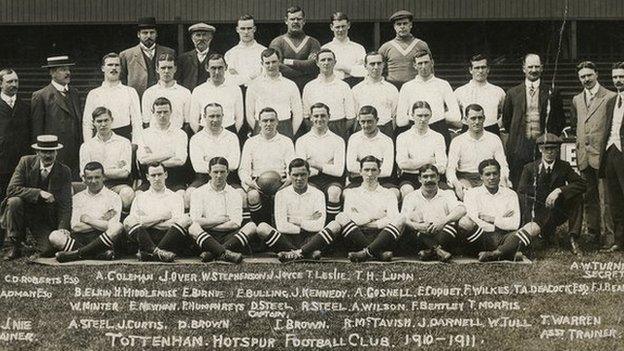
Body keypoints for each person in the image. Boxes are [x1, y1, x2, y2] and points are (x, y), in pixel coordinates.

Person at [278, 156, 404, 263]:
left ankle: (367, 252)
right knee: (340, 217)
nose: (370, 174)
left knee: (401, 218)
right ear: (360, 171)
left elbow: (393, 218)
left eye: (373, 170)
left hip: (382, 235)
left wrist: (370, 222)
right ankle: (377, 252)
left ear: (379, 172)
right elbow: (350, 217)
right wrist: (376, 216)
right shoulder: (352, 193)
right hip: (357, 234)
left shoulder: (388, 194)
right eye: (366, 170)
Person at [0, 135, 72, 259]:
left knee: (48, 250)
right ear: (37, 152)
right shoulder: (26, 162)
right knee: (14, 201)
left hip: (43, 217)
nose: (48, 156)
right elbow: (11, 190)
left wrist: (62, 228)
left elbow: (65, 204)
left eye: (51, 152)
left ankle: (34, 242)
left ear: (56, 152)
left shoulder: (64, 171)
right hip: (22, 210)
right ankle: (14, 244)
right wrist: (38, 193)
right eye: (44, 152)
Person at [570, 61, 616, 248]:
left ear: (597, 74)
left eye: (589, 75)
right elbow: (576, 125)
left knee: (606, 198)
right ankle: (593, 235)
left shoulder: (611, 97)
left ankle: (610, 237)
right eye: (582, 76)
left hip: (603, 156)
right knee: (589, 197)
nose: (586, 79)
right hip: (584, 157)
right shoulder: (576, 99)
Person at [502, 53, 565, 187]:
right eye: (530, 66)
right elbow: (507, 122)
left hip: (543, 147)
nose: (534, 70)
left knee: (545, 186)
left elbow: (560, 121)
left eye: (537, 66)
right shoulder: (512, 93)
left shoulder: (552, 92)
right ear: (524, 68)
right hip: (519, 149)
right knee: (520, 186)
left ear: (542, 68)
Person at [517, 133, 586, 255]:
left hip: (558, 211)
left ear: (558, 150)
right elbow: (521, 190)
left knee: (576, 197)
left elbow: (581, 184)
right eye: (546, 149)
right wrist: (542, 195)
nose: (549, 152)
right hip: (538, 213)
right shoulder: (529, 167)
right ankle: (541, 235)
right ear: (540, 149)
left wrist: (559, 190)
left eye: (553, 149)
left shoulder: (564, 166)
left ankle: (573, 238)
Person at [459, 159, 539, 262]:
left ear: (500, 175)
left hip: (505, 237)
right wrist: (501, 221)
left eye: (495, 174)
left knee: (534, 227)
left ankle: (496, 254)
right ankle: (507, 252)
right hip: (482, 237)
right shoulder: (472, 194)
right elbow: (473, 220)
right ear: (481, 176)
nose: (491, 178)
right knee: (464, 222)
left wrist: (492, 219)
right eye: (487, 174)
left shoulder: (510, 194)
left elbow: (514, 224)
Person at [49, 162, 123, 262]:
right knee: (54, 236)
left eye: (97, 177)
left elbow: (111, 226)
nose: (93, 181)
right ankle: (98, 254)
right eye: (90, 178)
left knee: (117, 227)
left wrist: (88, 220)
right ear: (84, 178)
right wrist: (101, 221)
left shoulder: (114, 197)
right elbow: (76, 227)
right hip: (81, 238)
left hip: (103, 238)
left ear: (103, 177)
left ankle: (76, 254)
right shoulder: (77, 198)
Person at [188, 157, 256, 263]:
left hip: (229, 236)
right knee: (193, 228)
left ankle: (214, 253)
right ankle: (225, 253)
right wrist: (219, 220)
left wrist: (208, 222)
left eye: (222, 172)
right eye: (215, 172)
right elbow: (195, 221)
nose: (219, 176)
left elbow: (235, 224)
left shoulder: (235, 193)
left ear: (228, 172)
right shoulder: (198, 192)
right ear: (209, 172)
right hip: (206, 236)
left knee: (251, 226)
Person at [123, 163, 192, 262]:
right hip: (146, 237)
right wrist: (162, 217)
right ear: (147, 177)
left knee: (186, 219)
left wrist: (146, 222)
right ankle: (157, 252)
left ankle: (150, 253)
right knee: (128, 220)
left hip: (167, 237)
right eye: (153, 175)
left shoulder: (175, 197)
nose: (157, 178)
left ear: (166, 175)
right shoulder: (140, 197)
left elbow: (175, 222)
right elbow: (132, 222)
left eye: (159, 174)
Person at [256, 158, 326, 255]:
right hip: (288, 238)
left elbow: (319, 225)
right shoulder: (281, 194)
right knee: (262, 228)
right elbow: (281, 226)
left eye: (303, 174)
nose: (299, 178)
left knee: (334, 226)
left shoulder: (318, 194)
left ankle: (292, 253)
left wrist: (295, 220)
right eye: (295, 175)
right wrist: (308, 219)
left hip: (310, 238)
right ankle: (305, 253)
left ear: (309, 173)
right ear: (289, 175)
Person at [239, 107, 295, 223]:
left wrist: (288, 181)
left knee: (286, 196)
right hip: (257, 184)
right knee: (253, 195)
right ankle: (259, 229)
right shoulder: (251, 142)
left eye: (271, 120)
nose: (268, 124)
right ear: (259, 123)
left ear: (277, 122)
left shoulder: (286, 141)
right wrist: (250, 183)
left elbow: (292, 167)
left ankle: (280, 230)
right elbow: (243, 169)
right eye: (265, 121)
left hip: (281, 183)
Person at [396, 50, 461, 148]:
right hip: (414, 131)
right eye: (420, 63)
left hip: (439, 128)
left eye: (426, 62)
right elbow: (400, 121)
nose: (423, 66)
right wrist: (417, 118)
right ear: (414, 65)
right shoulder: (407, 87)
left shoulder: (443, 84)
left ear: (432, 63)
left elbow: (456, 116)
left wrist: (435, 116)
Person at [401, 164, 466, 261]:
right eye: (425, 177)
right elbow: (403, 218)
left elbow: (462, 209)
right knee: (414, 232)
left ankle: (429, 253)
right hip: (421, 234)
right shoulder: (411, 197)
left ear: (438, 178)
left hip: (442, 233)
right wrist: (417, 226)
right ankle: (438, 251)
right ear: (419, 179)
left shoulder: (447, 194)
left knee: (450, 228)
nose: (429, 180)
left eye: (432, 176)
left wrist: (443, 222)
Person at [31, 56, 82, 177]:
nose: (68, 72)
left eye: (68, 69)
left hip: (75, 153)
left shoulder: (75, 93)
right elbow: (37, 130)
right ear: (52, 72)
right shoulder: (41, 96)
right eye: (63, 69)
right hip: (54, 153)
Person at [447, 104, 510, 200]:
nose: (477, 122)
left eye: (480, 118)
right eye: (473, 118)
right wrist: (456, 183)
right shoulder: (458, 141)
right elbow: (451, 168)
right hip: (465, 178)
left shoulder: (494, 139)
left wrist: (503, 178)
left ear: (484, 119)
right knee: (467, 196)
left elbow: (503, 165)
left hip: (488, 176)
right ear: (465, 119)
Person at [295, 103, 345, 222]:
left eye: (323, 115)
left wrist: (314, 164)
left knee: (334, 192)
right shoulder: (302, 141)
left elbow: (339, 171)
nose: (319, 119)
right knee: (309, 193)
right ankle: (312, 228)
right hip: (310, 179)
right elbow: (301, 170)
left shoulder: (338, 140)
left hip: (332, 180)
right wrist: (328, 165)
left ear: (329, 117)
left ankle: (332, 228)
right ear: (311, 118)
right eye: (316, 116)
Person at [187, 103, 242, 211]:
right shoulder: (196, 139)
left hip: (228, 178)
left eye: (218, 116)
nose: (215, 120)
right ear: (204, 117)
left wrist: (208, 159)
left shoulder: (232, 137)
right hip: (202, 179)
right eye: (211, 116)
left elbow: (234, 164)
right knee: (189, 195)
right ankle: (195, 225)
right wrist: (223, 160)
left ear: (223, 116)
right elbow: (198, 167)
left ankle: (238, 226)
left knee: (242, 195)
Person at [79, 107, 134, 211]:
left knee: (127, 194)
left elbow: (125, 172)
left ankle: (120, 222)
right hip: (94, 186)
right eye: (99, 121)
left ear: (112, 120)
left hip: (117, 185)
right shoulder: (86, 146)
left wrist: (98, 173)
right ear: (94, 123)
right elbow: (84, 174)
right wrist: (113, 170)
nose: (103, 124)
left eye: (106, 120)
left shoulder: (124, 142)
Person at [83, 53, 142, 143]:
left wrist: (135, 145)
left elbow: (137, 122)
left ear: (120, 68)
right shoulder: (94, 94)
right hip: (100, 140)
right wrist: (89, 145)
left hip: (124, 139)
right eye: (110, 65)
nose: (113, 68)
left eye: (117, 65)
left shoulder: (130, 92)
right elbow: (87, 123)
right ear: (103, 68)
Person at [246, 48, 303, 139]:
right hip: (261, 129)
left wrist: (290, 133)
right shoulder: (254, 85)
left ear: (279, 62)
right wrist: (259, 131)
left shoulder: (290, 85)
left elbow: (298, 114)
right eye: (267, 63)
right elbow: (249, 114)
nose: (271, 65)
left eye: (274, 62)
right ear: (262, 64)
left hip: (284, 127)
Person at [136, 97, 188, 197]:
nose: (162, 115)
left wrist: (152, 157)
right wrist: (168, 154)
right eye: (159, 112)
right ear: (153, 113)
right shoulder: (144, 134)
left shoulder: (180, 134)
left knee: (181, 196)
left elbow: (180, 160)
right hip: (150, 180)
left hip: (174, 181)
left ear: (171, 112)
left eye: (165, 112)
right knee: (138, 195)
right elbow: (142, 159)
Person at [302, 48, 356, 140]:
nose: (326, 63)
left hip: (338, 128)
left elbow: (351, 118)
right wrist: (317, 129)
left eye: (329, 59)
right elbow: (306, 116)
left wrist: (340, 130)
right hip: (316, 129)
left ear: (335, 62)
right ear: (317, 63)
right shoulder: (309, 86)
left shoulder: (344, 86)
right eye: (323, 60)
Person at [396, 101, 447, 198]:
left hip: (432, 177)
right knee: (407, 191)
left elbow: (441, 167)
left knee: (448, 194)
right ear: (412, 115)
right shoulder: (403, 137)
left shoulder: (438, 137)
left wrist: (412, 164)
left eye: (426, 115)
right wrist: (429, 160)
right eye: (419, 115)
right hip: (409, 178)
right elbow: (402, 164)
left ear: (430, 115)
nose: (423, 119)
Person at [600, 62, 624, 252]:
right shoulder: (611, 101)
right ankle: (619, 240)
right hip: (610, 153)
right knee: (615, 200)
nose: (618, 80)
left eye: (621, 77)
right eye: (615, 77)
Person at [119, 17, 176, 97]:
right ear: (138, 34)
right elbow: (122, 82)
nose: (149, 36)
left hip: (163, 97)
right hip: (138, 98)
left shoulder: (169, 52)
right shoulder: (126, 55)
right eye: (145, 33)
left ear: (156, 34)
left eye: (152, 33)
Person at [346, 106, 396, 195]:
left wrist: (361, 169)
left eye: (369, 121)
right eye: (363, 122)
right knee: (346, 193)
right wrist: (378, 165)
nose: (366, 125)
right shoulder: (354, 138)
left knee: (394, 193)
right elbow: (350, 166)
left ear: (377, 120)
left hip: (383, 181)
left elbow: (387, 171)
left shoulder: (387, 140)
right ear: (359, 121)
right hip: (358, 181)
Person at [269, 5, 321, 92]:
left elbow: (314, 65)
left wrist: (289, 61)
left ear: (304, 21)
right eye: (292, 19)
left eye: (299, 19)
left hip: (308, 88)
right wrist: (305, 70)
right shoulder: (277, 42)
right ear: (286, 21)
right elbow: (278, 66)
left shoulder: (313, 42)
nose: (295, 22)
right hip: (283, 88)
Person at [189, 54, 244, 134]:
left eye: (220, 68)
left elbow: (239, 119)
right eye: (213, 68)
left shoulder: (235, 89)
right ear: (207, 68)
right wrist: (202, 136)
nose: (217, 72)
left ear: (226, 67)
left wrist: (230, 135)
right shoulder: (198, 90)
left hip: (228, 132)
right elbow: (193, 120)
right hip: (205, 134)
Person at [454, 54, 506, 135]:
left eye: (483, 67)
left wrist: (497, 125)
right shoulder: (460, 92)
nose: (480, 71)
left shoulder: (498, 91)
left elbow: (507, 113)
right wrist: (464, 125)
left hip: (492, 131)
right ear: (470, 70)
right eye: (477, 68)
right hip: (468, 132)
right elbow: (452, 114)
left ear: (488, 69)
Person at [0, 68, 30, 205]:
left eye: (16, 81)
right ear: (1, 84)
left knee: (17, 201)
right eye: (9, 81)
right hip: (1, 163)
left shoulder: (25, 106)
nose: (14, 85)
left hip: (20, 164)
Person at [352, 51, 399, 138]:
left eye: (379, 63)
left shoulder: (392, 89)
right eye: (372, 64)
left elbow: (394, 115)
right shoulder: (357, 89)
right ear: (365, 66)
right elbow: (354, 116)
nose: (376, 67)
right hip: (363, 131)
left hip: (385, 130)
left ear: (383, 65)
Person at [378, 10, 430, 89]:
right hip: (393, 86)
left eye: (405, 23)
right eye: (399, 24)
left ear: (411, 25)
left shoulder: (421, 45)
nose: (402, 27)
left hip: (415, 86)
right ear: (394, 27)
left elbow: (430, 68)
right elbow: (378, 67)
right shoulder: (386, 47)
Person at [142, 53, 192, 131]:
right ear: (157, 69)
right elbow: (146, 122)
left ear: (175, 69)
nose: (166, 71)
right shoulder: (149, 93)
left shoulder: (185, 93)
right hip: (154, 137)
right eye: (163, 68)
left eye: (169, 68)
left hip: (177, 136)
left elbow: (187, 122)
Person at [321, 12, 366, 86]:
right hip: (332, 86)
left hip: (354, 85)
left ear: (348, 25)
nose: (341, 30)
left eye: (343, 26)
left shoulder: (359, 48)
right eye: (337, 27)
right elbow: (324, 73)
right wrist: (352, 70)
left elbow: (363, 71)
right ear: (331, 27)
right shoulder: (325, 49)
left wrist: (340, 67)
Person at [224, 14, 267, 88]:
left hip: (258, 93)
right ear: (237, 30)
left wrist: (239, 77)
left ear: (254, 29)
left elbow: (265, 77)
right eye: (243, 28)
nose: (246, 32)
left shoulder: (263, 51)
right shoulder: (230, 54)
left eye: (249, 28)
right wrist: (253, 76)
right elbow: (229, 79)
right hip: (237, 94)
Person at [176, 23, 216, 91]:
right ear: (192, 38)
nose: (201, 38)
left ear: (210, 38)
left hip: (210, 95)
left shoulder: (217, 58)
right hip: (189, 96)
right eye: (198, 35)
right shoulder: (183, 59)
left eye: (204, 35)